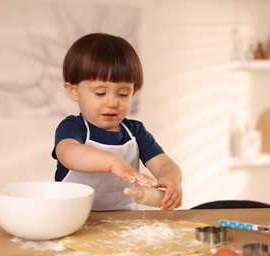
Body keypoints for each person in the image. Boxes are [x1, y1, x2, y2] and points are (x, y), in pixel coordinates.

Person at [52, 33, 182, 211]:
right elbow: (68, 154)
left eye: (123, 94)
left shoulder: (135, 132)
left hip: (122, 223)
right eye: (100, 93)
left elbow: (165, 164)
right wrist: (113, 162)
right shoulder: (74, 127)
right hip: (74, 221)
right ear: (74, 91)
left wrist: (172, 179)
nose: (112, 103)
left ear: (133, 93)